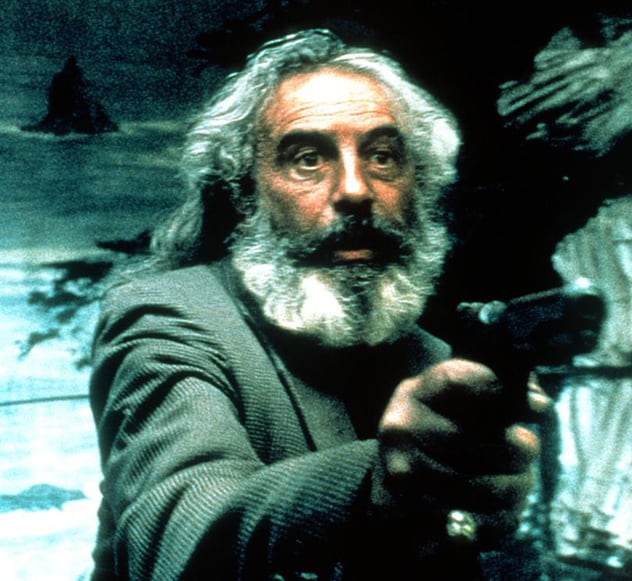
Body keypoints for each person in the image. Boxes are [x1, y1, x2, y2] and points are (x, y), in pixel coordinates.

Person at [89, 28, 546, 580]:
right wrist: (374, 483)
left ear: (417, 184)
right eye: (307, 159)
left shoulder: (432, 358)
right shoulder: (166, 316)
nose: (356, 189)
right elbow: (174, 531)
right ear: (245, 192)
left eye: (383, 156)